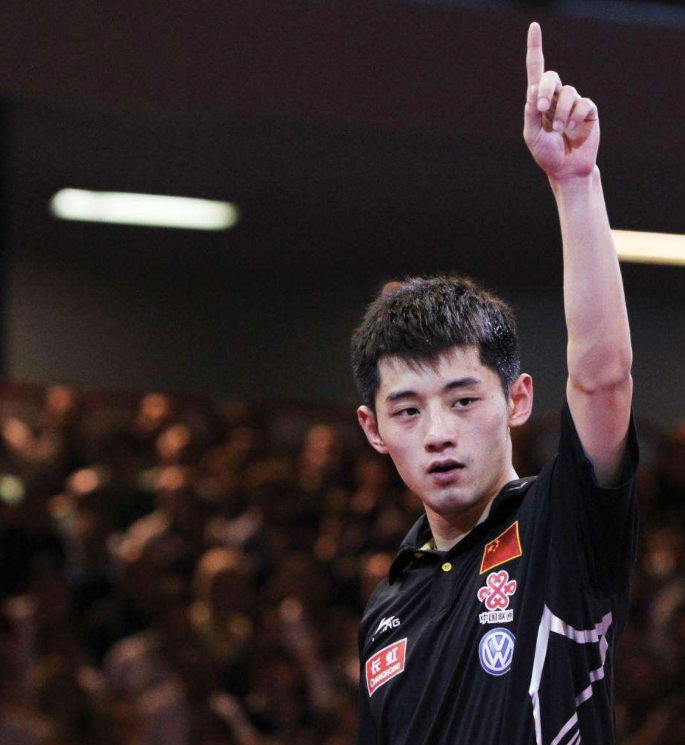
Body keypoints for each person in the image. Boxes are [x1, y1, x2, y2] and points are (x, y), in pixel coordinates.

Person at [351, 22, 638, 745]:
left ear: (517, 399)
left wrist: (575, 182)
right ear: (372, 429)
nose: (438, 433)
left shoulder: (564, 523)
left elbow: (603, 379)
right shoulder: (385, 611)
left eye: (462, 400)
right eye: (407, 411)